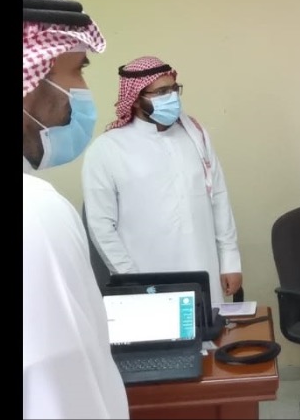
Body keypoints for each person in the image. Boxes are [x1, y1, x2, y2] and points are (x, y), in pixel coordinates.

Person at [22, 0, 129, 418]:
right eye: (79, 70)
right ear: (30, 78)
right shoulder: (34, 213)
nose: (82, 91)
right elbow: (64, 398)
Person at [81, 56, 243, 303]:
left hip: (204, 266)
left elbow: (218, 198)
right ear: (136, 99)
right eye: (161, 92)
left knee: (212, 326)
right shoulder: (107, 149)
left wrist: (230, 261)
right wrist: (131, 280)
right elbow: (101, 226)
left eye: (174, 89)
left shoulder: (195, 135)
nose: (172, 97)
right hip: (147, 279)